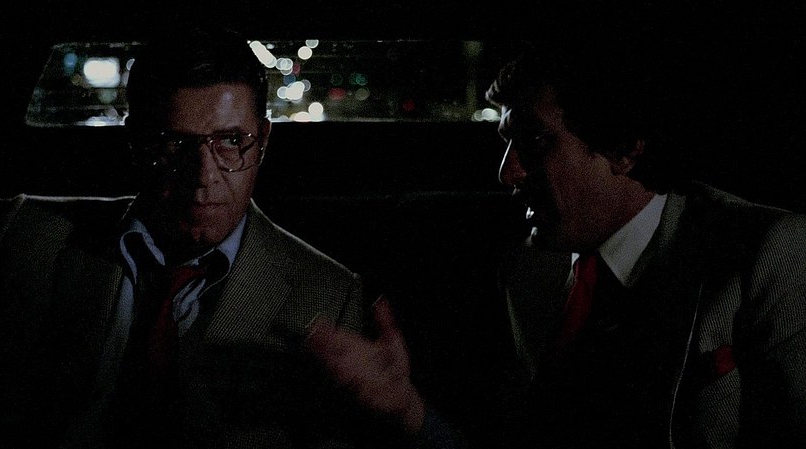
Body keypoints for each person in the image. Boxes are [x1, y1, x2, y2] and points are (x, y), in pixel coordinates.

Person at [306, 35, 806, 448]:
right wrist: (408, 412)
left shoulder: (765, 255)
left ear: (624, 150)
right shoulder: (532, 268)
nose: (508, 172)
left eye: (535, 141)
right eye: (507, 142)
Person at [0, 25, 375, 448]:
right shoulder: (31, 236)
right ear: (136, 142)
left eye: (231, 141)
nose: (203, 176)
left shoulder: (328, 296)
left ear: (263, 142)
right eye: (175, 142)